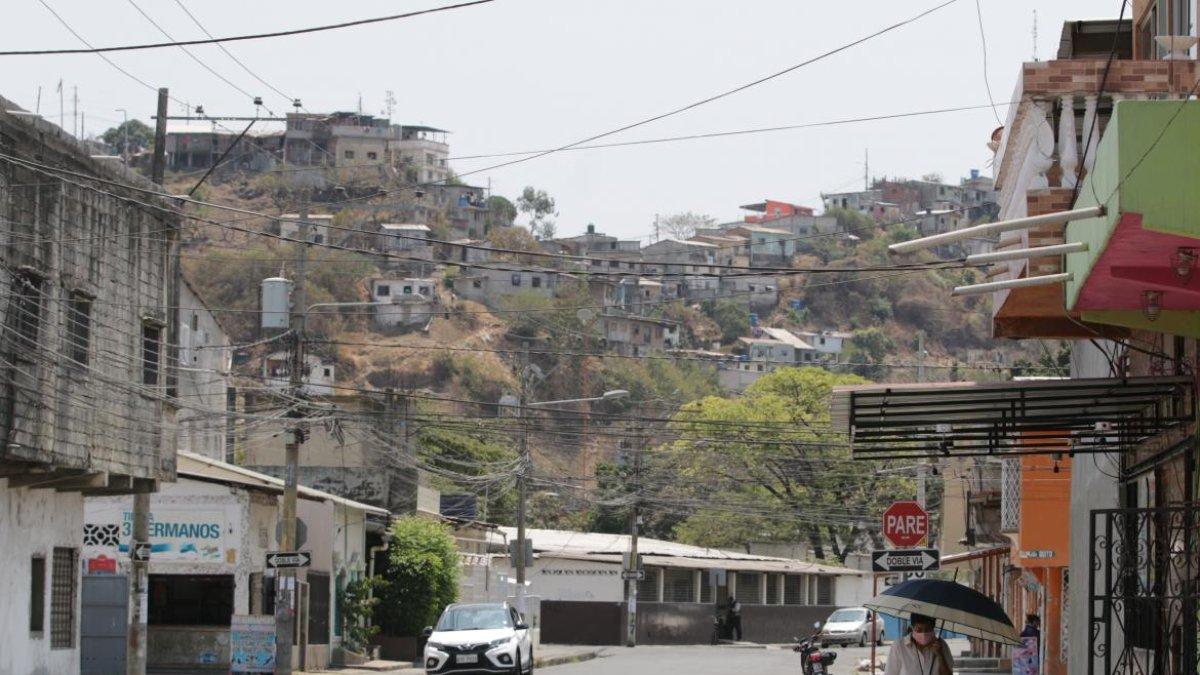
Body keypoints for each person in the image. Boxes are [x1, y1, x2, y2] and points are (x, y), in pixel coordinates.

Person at [883, 614, 953, 675]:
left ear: (933, 629)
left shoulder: (941, 645)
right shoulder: (899, 646)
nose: (923, 634)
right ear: (912, 628)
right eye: (919, 630)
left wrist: (940, 655)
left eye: (928, 629)